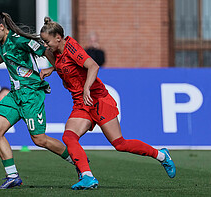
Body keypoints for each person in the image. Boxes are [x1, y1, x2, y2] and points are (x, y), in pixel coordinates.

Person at [40, 17, 176, 190]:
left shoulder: (72, 47)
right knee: (68, 136)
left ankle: (161, 155)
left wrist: (87, 88)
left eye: (47, 42)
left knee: (120, 144)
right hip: (81, 104)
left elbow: (93, 66)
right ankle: (88, 176)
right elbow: (66, 66)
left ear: (58, 38)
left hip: (98, 100)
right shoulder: (57, 53)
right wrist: (50, 69)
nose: (45, 45)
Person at [0, 11, 74, 189]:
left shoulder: (20, 40)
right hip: (15, 95)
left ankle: (77, 161)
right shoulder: (4, 42)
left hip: (31, 94)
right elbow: (3, 56)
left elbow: (45, 50)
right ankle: (12, 176)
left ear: (1, 27)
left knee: (39, 139)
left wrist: (53, 69)